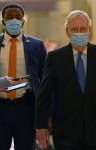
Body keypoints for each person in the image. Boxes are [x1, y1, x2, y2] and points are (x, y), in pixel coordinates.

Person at [36, 10, 96, 150]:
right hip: (65, 132)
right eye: (75, 29)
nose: (79, 33)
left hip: (95, 131)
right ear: (67, 31)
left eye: (83, 29)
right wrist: (41, 126)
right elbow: (44, 95)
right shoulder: (55, 58)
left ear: (89, 30)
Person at [0, 3, 46, 150]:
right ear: (3, 22)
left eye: (17, 17)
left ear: (23, 21)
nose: (14, 20)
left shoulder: (36, 45)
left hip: (26, 109)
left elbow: (45, 79)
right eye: (9, 17)